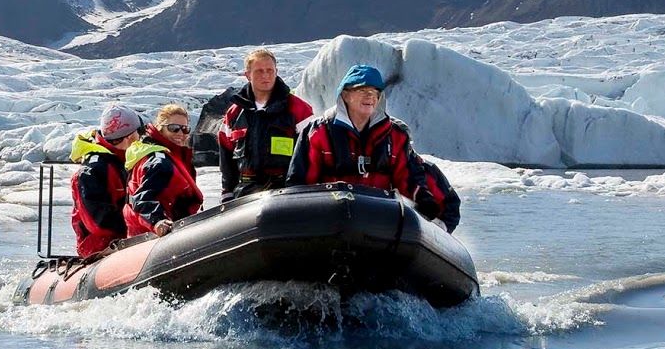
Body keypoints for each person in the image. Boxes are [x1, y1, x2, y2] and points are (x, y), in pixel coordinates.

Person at [286, 64, 445, 222]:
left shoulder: (396, 135)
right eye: (362, 90)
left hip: (380, 219)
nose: (370, 96)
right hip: (328, 217)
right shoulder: (317, 132)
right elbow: (300, 182)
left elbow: (408, 177)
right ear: (345, 95)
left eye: (374, 92)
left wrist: (423, 199)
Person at [217, 47, 314, 203]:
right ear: (247, 75)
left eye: (270, 70)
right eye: (259, 71)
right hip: (245, 193)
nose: (266, 75)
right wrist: (227, 191)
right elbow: (226, 155)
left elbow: (313, 151)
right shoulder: (234, 113)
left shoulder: (298, 109)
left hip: (287, 192)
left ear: (276, 72)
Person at [69, 102, 142, 258]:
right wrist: (138, 222)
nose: (140, 139)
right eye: (137, 134)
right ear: (129, 137)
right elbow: (99, 223)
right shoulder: (92, 171)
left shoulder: (129, 161)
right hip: (101, 248)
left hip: (132, 239)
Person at [124, 104, 205, 238]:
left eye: (185, 129)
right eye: (173, 128)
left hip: (167, 233)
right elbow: (143, 198)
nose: (180, 133)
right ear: (160, 129)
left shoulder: (169, 156)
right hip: (153, 238)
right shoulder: (158, 161)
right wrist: (157, 221)